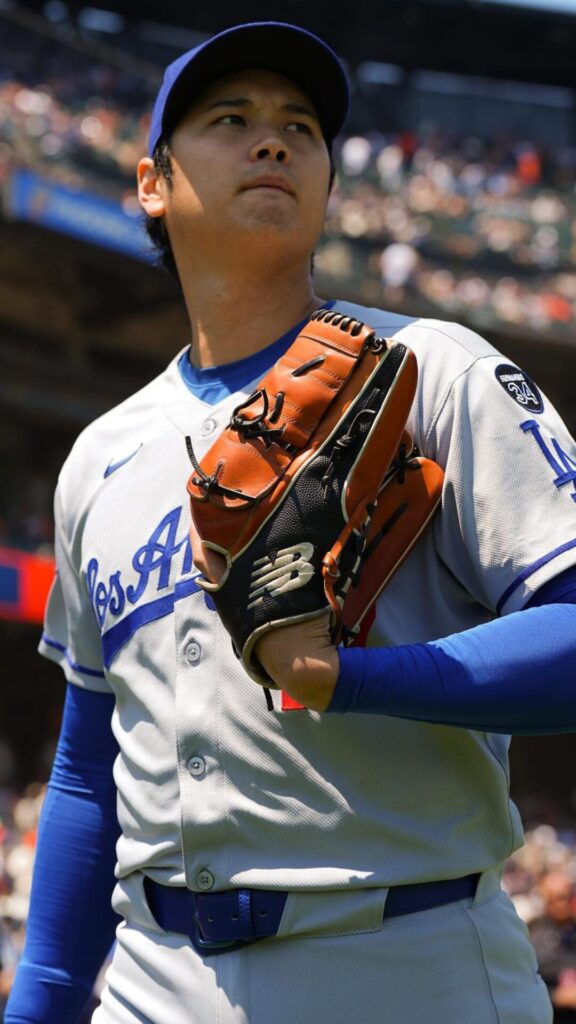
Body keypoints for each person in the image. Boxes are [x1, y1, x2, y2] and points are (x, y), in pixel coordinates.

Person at [6, 20, 576, 1024]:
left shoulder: (433, 370)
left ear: (325, 183)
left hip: (409, 962)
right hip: (154, 982)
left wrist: (347, 679)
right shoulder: (101, 455)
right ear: (151, 183)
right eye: (231, 119)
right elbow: (90, 766)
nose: (272, 139)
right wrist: (43, 999)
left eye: (300, 126)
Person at [530, 870, 576, 1022]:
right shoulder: (534, 936)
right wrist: (557, 996)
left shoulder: (572, 929)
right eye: (561, 897)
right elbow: (524, 988)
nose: (568, 902)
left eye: (570, 895)